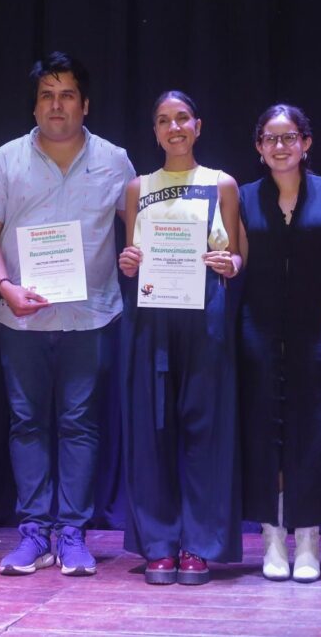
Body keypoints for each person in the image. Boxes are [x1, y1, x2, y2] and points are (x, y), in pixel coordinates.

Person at [0, 52, 133, 577]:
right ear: (35, 106)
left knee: (80, 425)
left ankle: (73, 533)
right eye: (46, 95)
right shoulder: (4, 160)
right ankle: (34, 531)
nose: (56, 105)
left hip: (91, 317)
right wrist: (5, 287)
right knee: (27, 424)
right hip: (21, 319)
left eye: (66, 95)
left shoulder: (115, 160)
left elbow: (140, 226)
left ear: (85, 105)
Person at [118, 91, 242, 585]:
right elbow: (131, 254)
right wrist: (129, 262)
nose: (174, 127)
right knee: (152, 428)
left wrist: (231, 263)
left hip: (204, 308)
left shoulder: (221, 183)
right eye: (164, 120)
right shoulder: (138, 188)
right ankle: (159, 544)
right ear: (154, 131)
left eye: (182, 118)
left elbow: (237, 253)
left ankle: (198, 544)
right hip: (151, 312)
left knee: (204, 429)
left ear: (198, 126)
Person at [237, 104, 321, 583]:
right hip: (259, 329)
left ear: (306, 143)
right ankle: (271, 538)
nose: (280, 146)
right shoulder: (243, 197)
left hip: (319, 329)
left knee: (315, 432)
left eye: (289, 138)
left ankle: (308, 539)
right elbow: (236, 259)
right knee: (265, 432)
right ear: (259, 147)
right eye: (270, 138)